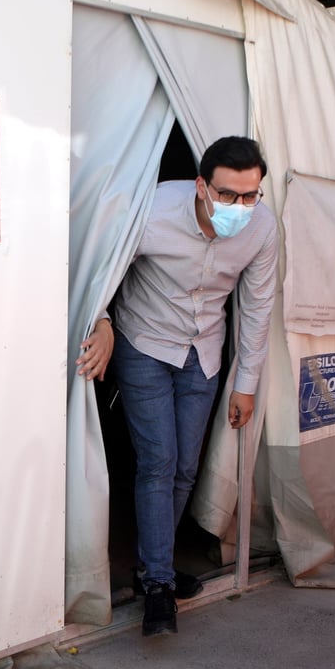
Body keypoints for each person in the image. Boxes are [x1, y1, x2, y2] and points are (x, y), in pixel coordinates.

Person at [75, 136, 278, 637]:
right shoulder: (152, 210)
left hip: (204, 353)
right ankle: (159, 585)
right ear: (201, 186)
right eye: (228, 195)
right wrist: (101, 321)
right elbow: (100, 269)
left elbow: (256, 307)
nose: (240, 207)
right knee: (159, 460)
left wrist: (246, 382)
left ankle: (153, 564)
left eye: (251, 196)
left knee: (186, 465)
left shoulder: (263, 228)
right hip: (145, 343)